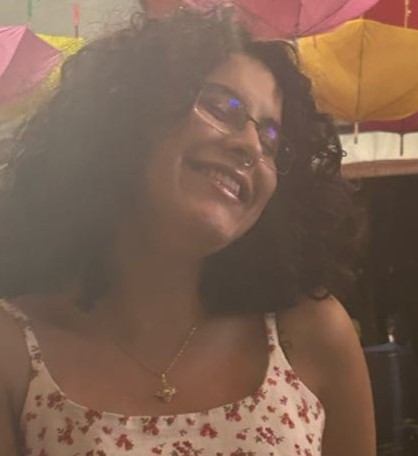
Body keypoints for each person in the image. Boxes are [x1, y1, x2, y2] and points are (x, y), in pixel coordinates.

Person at [0, 6, 375, 455]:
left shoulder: (313, 336)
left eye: (272, 141)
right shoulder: (12, 349)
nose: (250, 145)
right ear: (126, 116)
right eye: (221, 107)